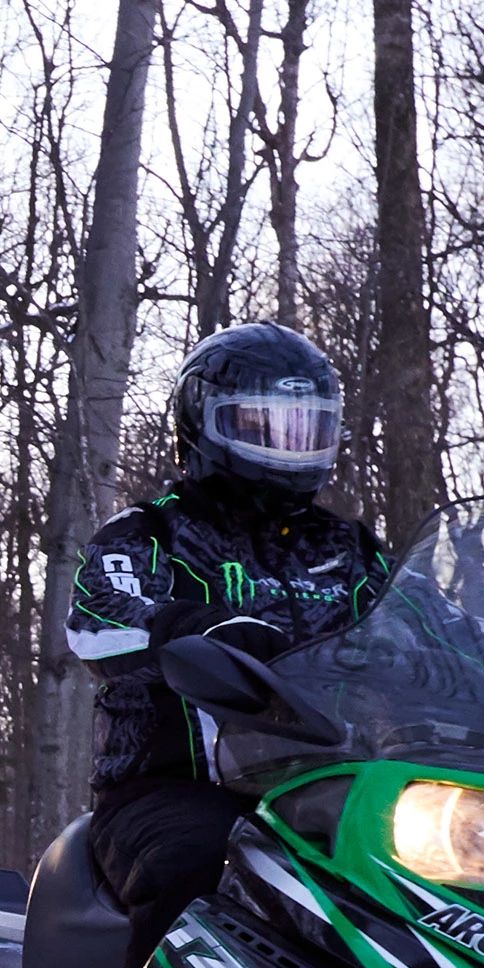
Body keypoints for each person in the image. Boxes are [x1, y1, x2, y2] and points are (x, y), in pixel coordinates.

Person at [62, 324, 390, 930]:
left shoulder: (351, 552)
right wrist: (194, 629)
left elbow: (431, 625)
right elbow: (100, 620)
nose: (287, 446)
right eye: (261, 426)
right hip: (175, 787)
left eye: (304, 428)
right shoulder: (149, 533)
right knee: (201, 860)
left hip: (339, 786)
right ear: (202, 422)